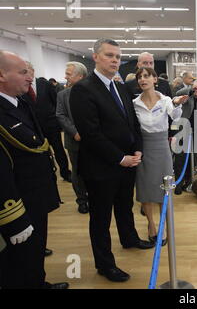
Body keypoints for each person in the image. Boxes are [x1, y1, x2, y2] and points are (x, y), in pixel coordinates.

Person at [70, 38, 153, 283]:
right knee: (101, 218)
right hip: (102, 167)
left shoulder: (121, 87)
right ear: (95, 57)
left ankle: (129, 238)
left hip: (129, 162)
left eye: (118, 56)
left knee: (125, 205)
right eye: (109, 55)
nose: (115, 60)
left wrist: (138, 148)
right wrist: (120, 158)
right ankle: (105, 265)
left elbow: (132, 123)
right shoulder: (83, 89)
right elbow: (90, 134)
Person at [0, 50, 67, 289]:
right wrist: (13, 218)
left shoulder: (20, 104)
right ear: (1, 75)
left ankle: (39, 283)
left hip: (35, 195)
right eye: (22, 72)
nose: (30, 77)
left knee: (35, 250)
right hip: (18, 202)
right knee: (17, 262)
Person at [133, 67, 188, 244]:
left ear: (155, 79)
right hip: (143, 148)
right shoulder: (135, 103)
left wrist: (178, 103)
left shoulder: (165, 100)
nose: (143, 79)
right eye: (140, 77)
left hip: (162, 147)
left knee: (164, 188)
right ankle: (151, 224)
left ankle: (164, 223)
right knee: (145, 188)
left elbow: (175, 116)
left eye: (147, 76)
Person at [23, 62, 72, 182]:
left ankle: (65, 173)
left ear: (32, 70)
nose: (25, 73)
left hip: (51, 125)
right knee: (41, 153)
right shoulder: (22, 86)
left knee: (59, 150)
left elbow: (56, 103)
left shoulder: (45, 84)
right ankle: (47, 175)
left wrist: (57, 121)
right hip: (34, 128)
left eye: (26, 70)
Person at [56, 62, 89, 214]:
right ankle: (82, 201)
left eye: (69, 74)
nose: (65, 77)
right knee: (77, 172)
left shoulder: (93, 92)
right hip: (73, 141)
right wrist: (74, 132)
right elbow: (61, 115)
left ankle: (95, 197)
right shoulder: (62, 95)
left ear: (80, 76)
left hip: (94, 142)